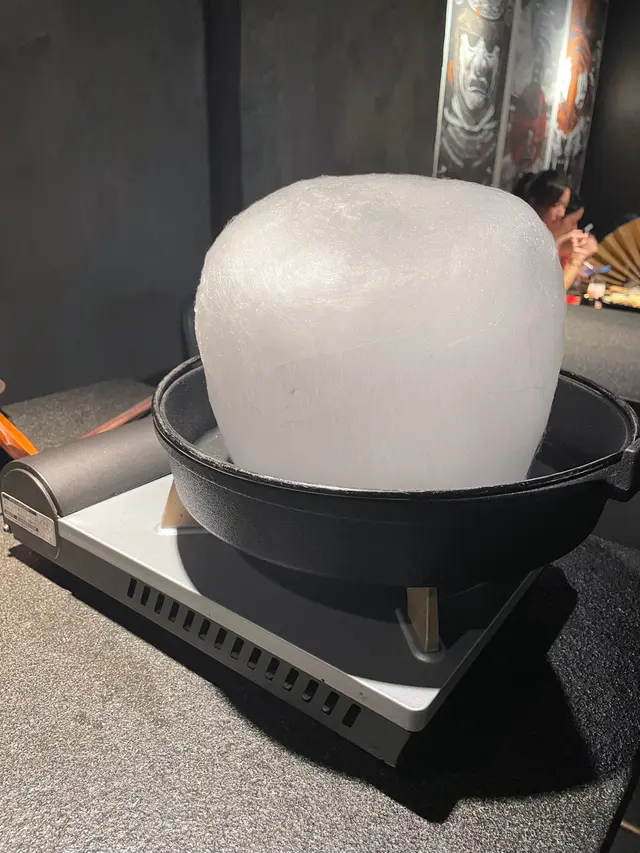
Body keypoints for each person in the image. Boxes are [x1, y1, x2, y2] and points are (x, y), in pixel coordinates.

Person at [513, 170, 596, 289]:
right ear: (536, 202)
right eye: (556, 204)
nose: (561, 213)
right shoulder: (520, 239)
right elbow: (551, 292)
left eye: (564, 206)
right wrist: (576, 258)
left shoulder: (542, 241)